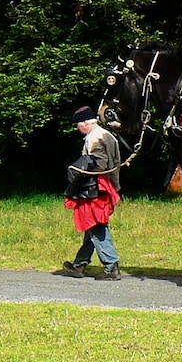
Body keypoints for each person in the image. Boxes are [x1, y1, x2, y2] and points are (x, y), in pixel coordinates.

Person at [61, 105, 123, 280]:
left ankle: (111, 265)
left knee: (95, 225)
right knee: (92, 225)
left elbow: (99, 164)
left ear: (84, 123)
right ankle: (80, 264)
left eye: (78, 124)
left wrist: (76, 170)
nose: (77, 128)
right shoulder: (108, 135)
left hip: (95, 187)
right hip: (106, 185)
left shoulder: (94, 138)